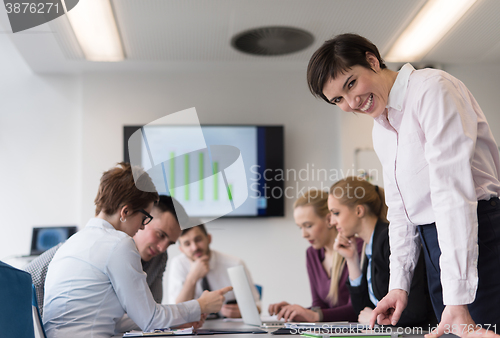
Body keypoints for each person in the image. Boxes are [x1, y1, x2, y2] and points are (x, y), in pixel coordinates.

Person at [307, 33, 500, 336]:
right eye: (338, 100)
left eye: (351, 84)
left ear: (372, 60)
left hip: (477, 234)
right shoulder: (381, 129)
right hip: (436, 244)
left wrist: (459, 299)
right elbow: (400, 211)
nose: (351, 102)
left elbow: (452, 194)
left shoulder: (431, 89)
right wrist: (399, 285)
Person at [43, 163, 231, 338]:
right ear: (125, 212)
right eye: (144, 218)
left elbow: (118, 321)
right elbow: (151, 319)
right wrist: (200, 305)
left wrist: (178, 318)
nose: (142, 227)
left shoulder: (71, 243)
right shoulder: (118, 244)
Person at [25, 195, 185, 316]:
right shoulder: (89, 245)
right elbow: (25, 277)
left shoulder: (158, 259)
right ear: (143, 220)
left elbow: (152, 310)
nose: (162, 247)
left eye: (170, 243)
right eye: (160, 235)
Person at [329, 177, 434, 326]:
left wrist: (375, 320)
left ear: (359, 210)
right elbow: (362, 311)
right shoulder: (370, 245)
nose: (332, 222)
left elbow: (415, 312)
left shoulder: (388, 241)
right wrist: (352, 260)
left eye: (336, 213)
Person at [269, 189, 361, 322]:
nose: (304, 234)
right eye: (300, 227)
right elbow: (319, 306)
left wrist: (314, 315)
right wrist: (295, 311)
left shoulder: (356, 249)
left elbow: (356, 309)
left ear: (330, 220)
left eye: (308, 225)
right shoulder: (312, 254)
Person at [167, 222, 260, 318]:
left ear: (209, 239)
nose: (195, 247)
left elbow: (257, 305)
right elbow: (176, 312)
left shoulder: (235, 264)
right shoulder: (178, 264)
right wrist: (192, 278)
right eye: (187, 244)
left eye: (198, 240)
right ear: (181, 249)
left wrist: (243, 312)